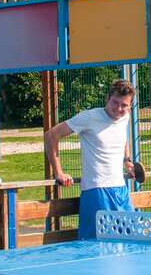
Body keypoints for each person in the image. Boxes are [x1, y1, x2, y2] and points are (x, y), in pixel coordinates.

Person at [44, 78, 138, 240]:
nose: (118, 109)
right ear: (107, 99)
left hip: (121, 190)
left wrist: (127, 160)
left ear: (130, 105)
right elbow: (51, 135)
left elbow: (122, 135)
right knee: (96, 246)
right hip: (96, 190)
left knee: (130, 241)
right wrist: (58, 172)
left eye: (124, 105)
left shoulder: (125, 117)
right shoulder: (89, 117)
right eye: (115, 103)